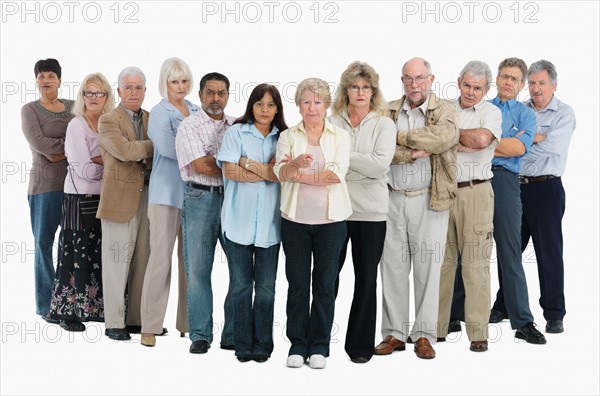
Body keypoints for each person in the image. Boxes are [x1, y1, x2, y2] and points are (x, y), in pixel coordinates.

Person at [375, 57, 458, 360]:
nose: (414, 85)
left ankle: (423, 334)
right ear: (402, 81)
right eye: (408, 79)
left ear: (431, 79)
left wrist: (399, 139)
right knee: (393, 268)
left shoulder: (445, 109)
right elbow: (381, 150)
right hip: (392, 198)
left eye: (420, 78)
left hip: (430, 199)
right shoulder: (388, 110)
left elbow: (443, 138)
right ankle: (394, 334)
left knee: (427, 269)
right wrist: (411, 151)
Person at [275, 78, 352, 369]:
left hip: (331, 222)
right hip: (294, 220)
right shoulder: (289, 136)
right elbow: (280, 171)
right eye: (306, 102)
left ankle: (319, 344)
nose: (312, 107)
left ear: (327, 104)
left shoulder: (340, 136)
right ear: (298, 105)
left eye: (318, 102)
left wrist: (299, 173)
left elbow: (335, 175)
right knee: (297, 284)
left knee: (324, 284)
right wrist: (291, 168)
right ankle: (297, 344)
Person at [328, 61, 396, 363]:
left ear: (373, 91)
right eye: (354, 86)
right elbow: (328, 163)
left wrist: (344, 159)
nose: (360, 92)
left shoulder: (384, 123)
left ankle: (358, 346)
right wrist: (358, 163)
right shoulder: (333, 122)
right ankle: (320, 341)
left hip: (372, 212)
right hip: (337, 209)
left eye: (365, 87)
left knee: (367, 279)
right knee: (328, 277)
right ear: (346, 90)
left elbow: (381, 165)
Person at [218, 84, 287, 363]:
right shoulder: (236, 132)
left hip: (270, 227)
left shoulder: (283, 138)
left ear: (277, 109)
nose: (265, 110)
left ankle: (263, 345)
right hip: (237, 223)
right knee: (241, 287)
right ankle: (242, 344)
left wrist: (248, 163)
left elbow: (281, 175)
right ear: (252, 106)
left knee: (267, 289)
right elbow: (229, 170)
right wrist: (265, 171)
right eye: (260, 104)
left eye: (271, 105)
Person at [436, 61, 501, 352]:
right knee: (441, 263)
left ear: (486, 90)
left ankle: (478, 332)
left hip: (476, 192)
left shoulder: (492, 112)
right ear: (458, 81)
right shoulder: (444, 109)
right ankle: (435, 328)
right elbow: (438, 140)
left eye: (477, 88)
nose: (471, 92)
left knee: (475, 264)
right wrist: (465, 140)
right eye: (467, 85)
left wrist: (450, 138)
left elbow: (484, 138)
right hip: (443, 189)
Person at [48, 72, 114, 331]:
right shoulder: (77, 125)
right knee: (75, 256)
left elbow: (114, 159)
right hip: (78, 198)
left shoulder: (109, 123)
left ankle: (95, 309)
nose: (93, 97)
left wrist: (101, 161)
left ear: (106, 96)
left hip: (106, 197)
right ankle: (67, 313)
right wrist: (107, 162)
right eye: (89, 92)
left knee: (97, 255)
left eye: (99, 93)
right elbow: (82, 169)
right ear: (82, 96)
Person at [175, 72, 235, 354]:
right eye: (210, 92)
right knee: (198, 270)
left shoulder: (236, 126)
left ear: (227, 96)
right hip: (200, 197)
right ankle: (200, 334)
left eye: (221, 93)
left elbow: (214, 162)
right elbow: (201, 166)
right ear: (200, 95)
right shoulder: (189, 126)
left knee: (240, 269)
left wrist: (219, 162)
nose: (215, 98)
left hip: (234, 200)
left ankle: (233, 333)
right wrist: (233, 165)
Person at [488, 57, 546, 344]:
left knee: (510, 251)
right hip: (473, 180)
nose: (508, 82)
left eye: (514, 79)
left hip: (505, 182)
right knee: (462, 249)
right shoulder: (480, 108)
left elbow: (517, 149)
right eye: (504, 76)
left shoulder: (527, 116)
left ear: (522, 85)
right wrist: (503, 142)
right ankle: (455, 315)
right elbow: (463, 144)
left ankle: (522, 321)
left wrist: (484, 141)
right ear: (496, 79)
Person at [139, 58, 197, 346]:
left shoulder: (197, 110)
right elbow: (166, 148)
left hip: (195, 196)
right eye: (175, 81)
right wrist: (197, 150)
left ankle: (188, 324)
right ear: (165, 83)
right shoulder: (160, 113)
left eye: (184, 81)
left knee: (191, 263)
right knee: (160, 260)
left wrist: (196, 148)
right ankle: (150, 326)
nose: (180, 86)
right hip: (165, 195)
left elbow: (213, 142)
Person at [519, 60, 575, 334]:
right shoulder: (521, 110)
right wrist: (534, 138)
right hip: (516, 188)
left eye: (542, 83)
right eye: (532, 83)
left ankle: (554, 313)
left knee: (548, 253)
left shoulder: (564, 113)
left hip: (546, 189)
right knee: (509, 251)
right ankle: (505, 305)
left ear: (554, 85)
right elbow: (505, 143)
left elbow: (551, 148)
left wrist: (521, 144)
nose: (536, 88)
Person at [97, 67, 153, 341]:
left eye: (139, 87)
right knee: (116, 262)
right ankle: (114, 322)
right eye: (128, 87)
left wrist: (140, 149)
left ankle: (135, 320)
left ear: (145, 90)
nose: (133, 92)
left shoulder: (152, 118)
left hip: (148, 199)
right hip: (118, 200)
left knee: (143, 261)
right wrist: (148, 147)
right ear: (118, 91)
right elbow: (123, 150)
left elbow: (157, 155)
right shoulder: (108, 120)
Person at [21, 58, 74, 323]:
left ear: (60, 80)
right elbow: (42, 145)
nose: (45, 80)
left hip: (76, 186)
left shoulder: (75, 107)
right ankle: (46, 305)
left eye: (50, 75)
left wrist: (62, 149)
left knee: (71, 245)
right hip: (44, 187)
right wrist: (70, 148)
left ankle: (68, 303)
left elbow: (88, 139)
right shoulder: (30, 110)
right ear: (36, 80)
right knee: (43, 244)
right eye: (40, 76)